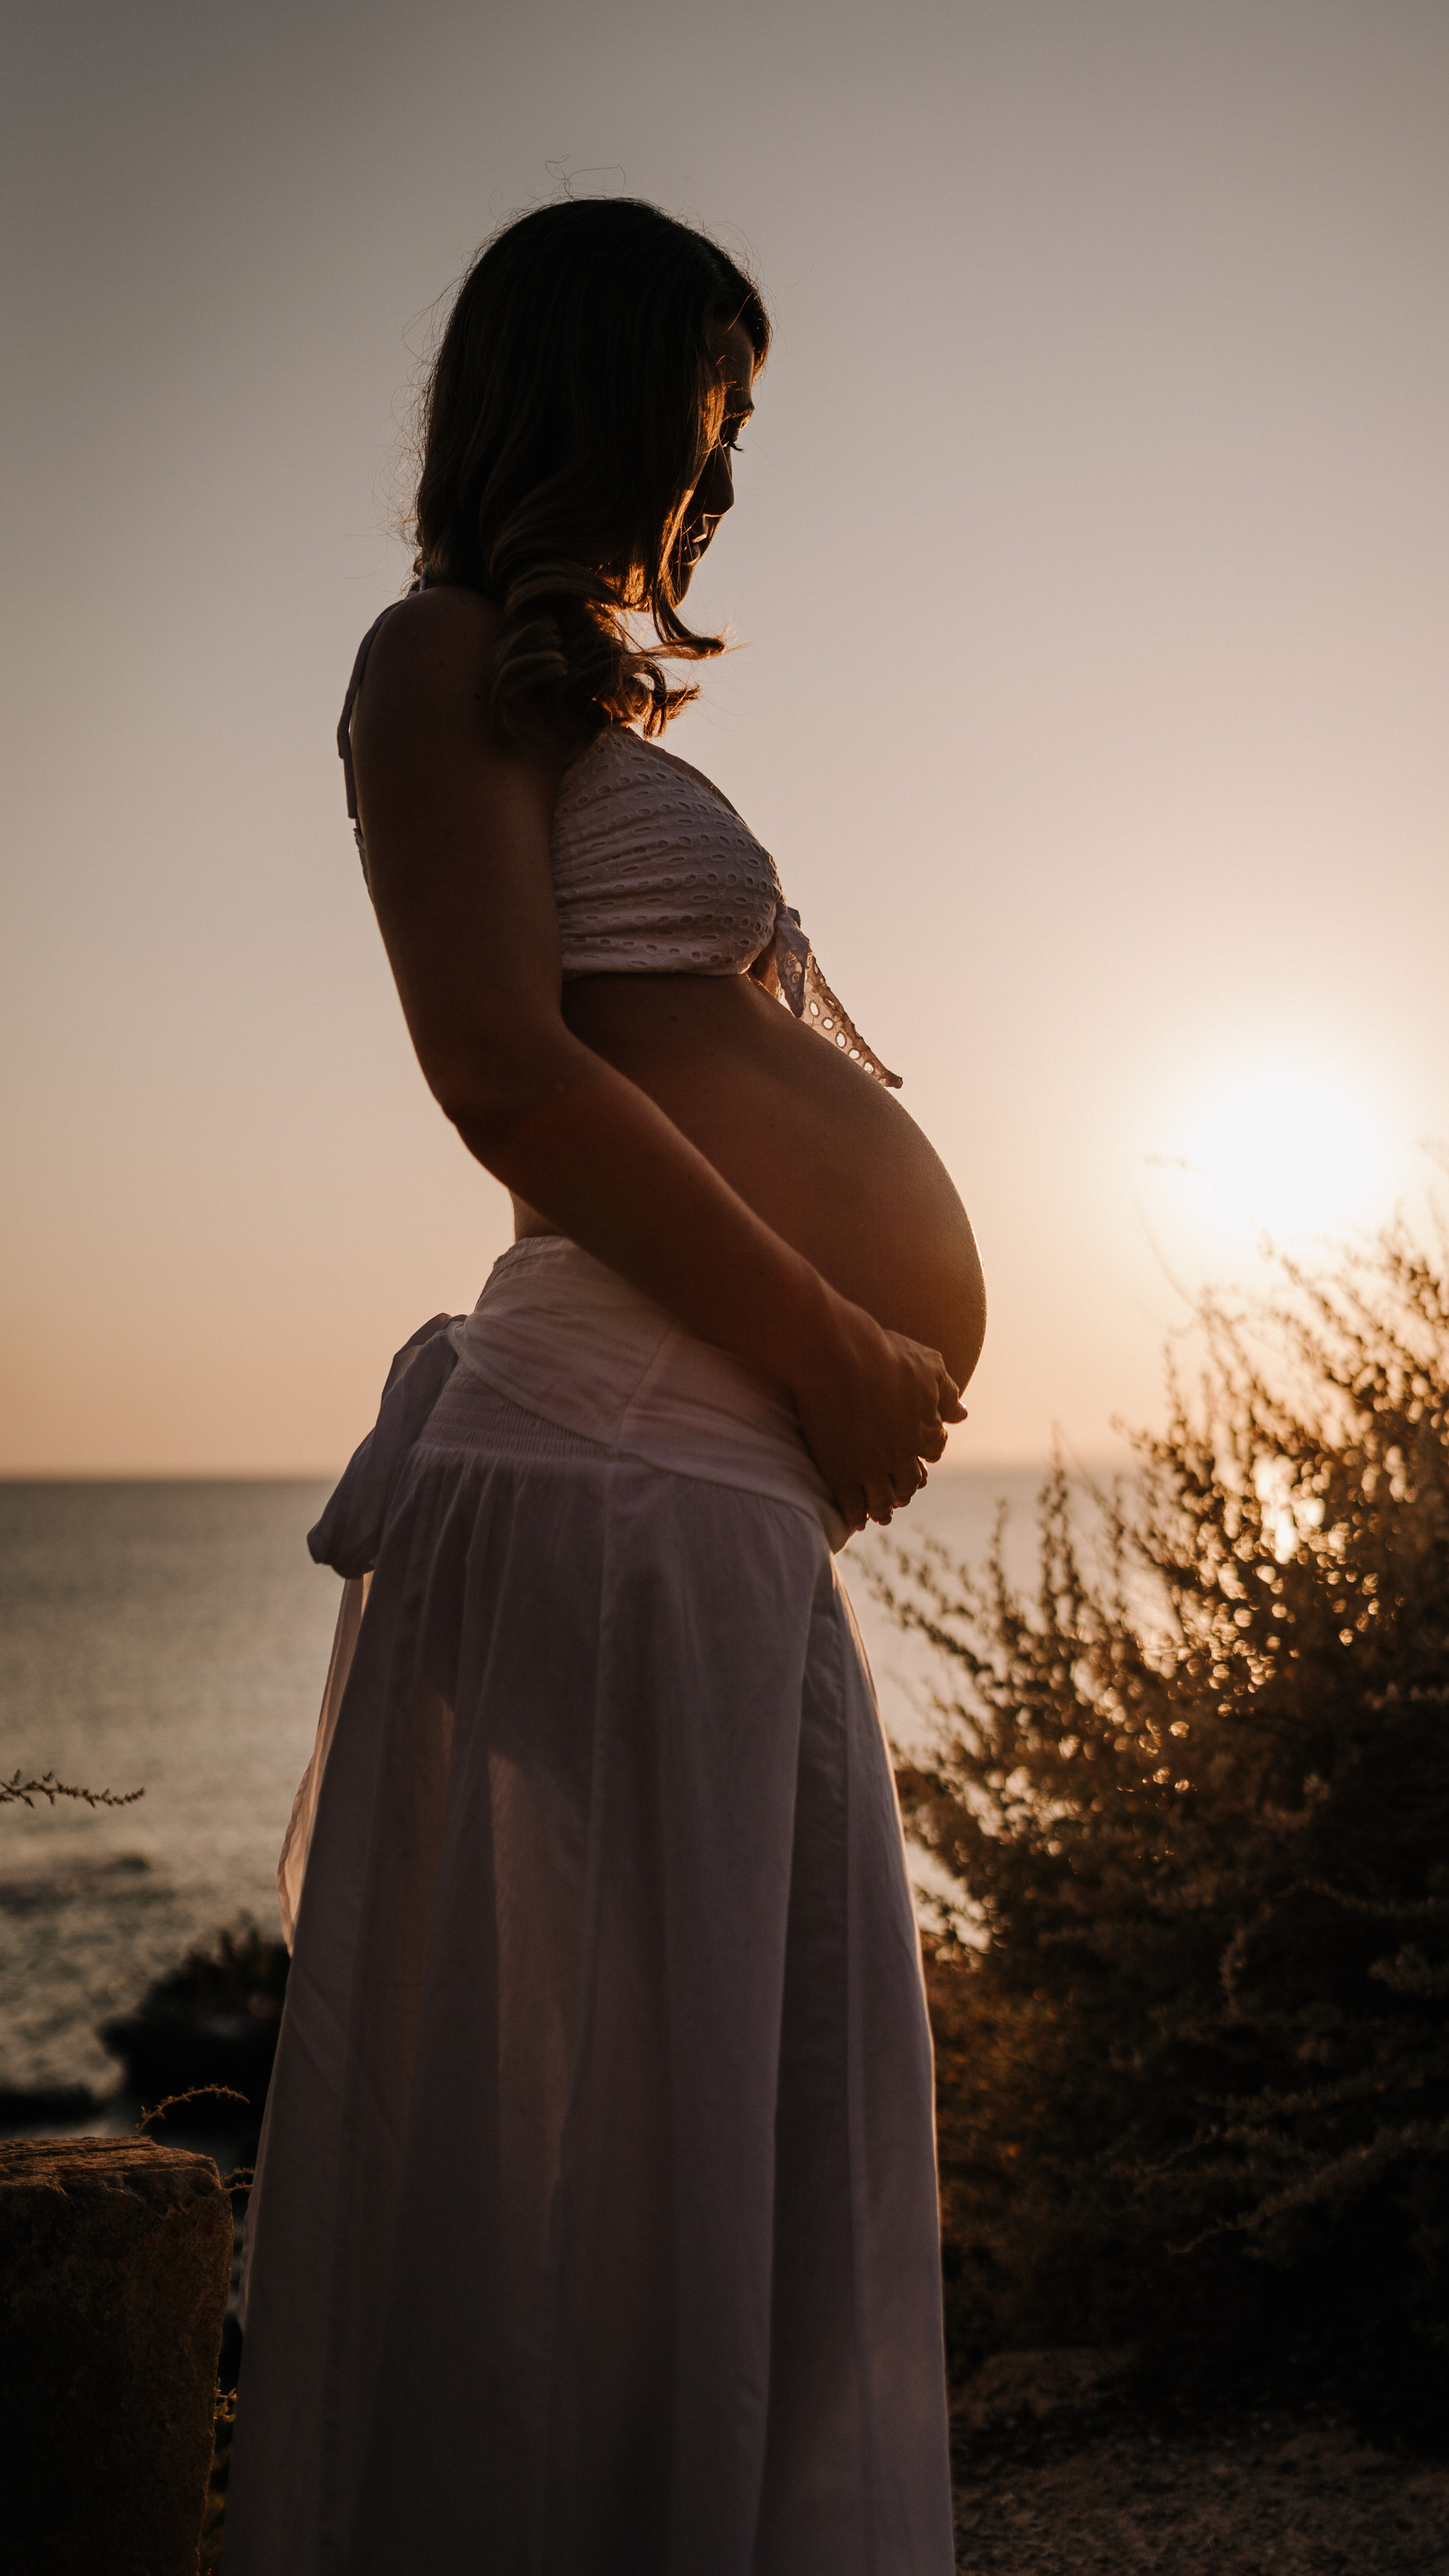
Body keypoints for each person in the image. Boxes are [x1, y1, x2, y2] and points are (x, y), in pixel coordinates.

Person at [225, 197, 985, 2576]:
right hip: (613, 1464)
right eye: (710, 414)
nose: (724, 483)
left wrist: (833, 1356)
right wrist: (835, 1337)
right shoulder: (426, 652)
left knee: (750, 2141)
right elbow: (505, 1081)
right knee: (596, 2196)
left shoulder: (574, 708)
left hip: (713, 1477)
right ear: (590, 384)